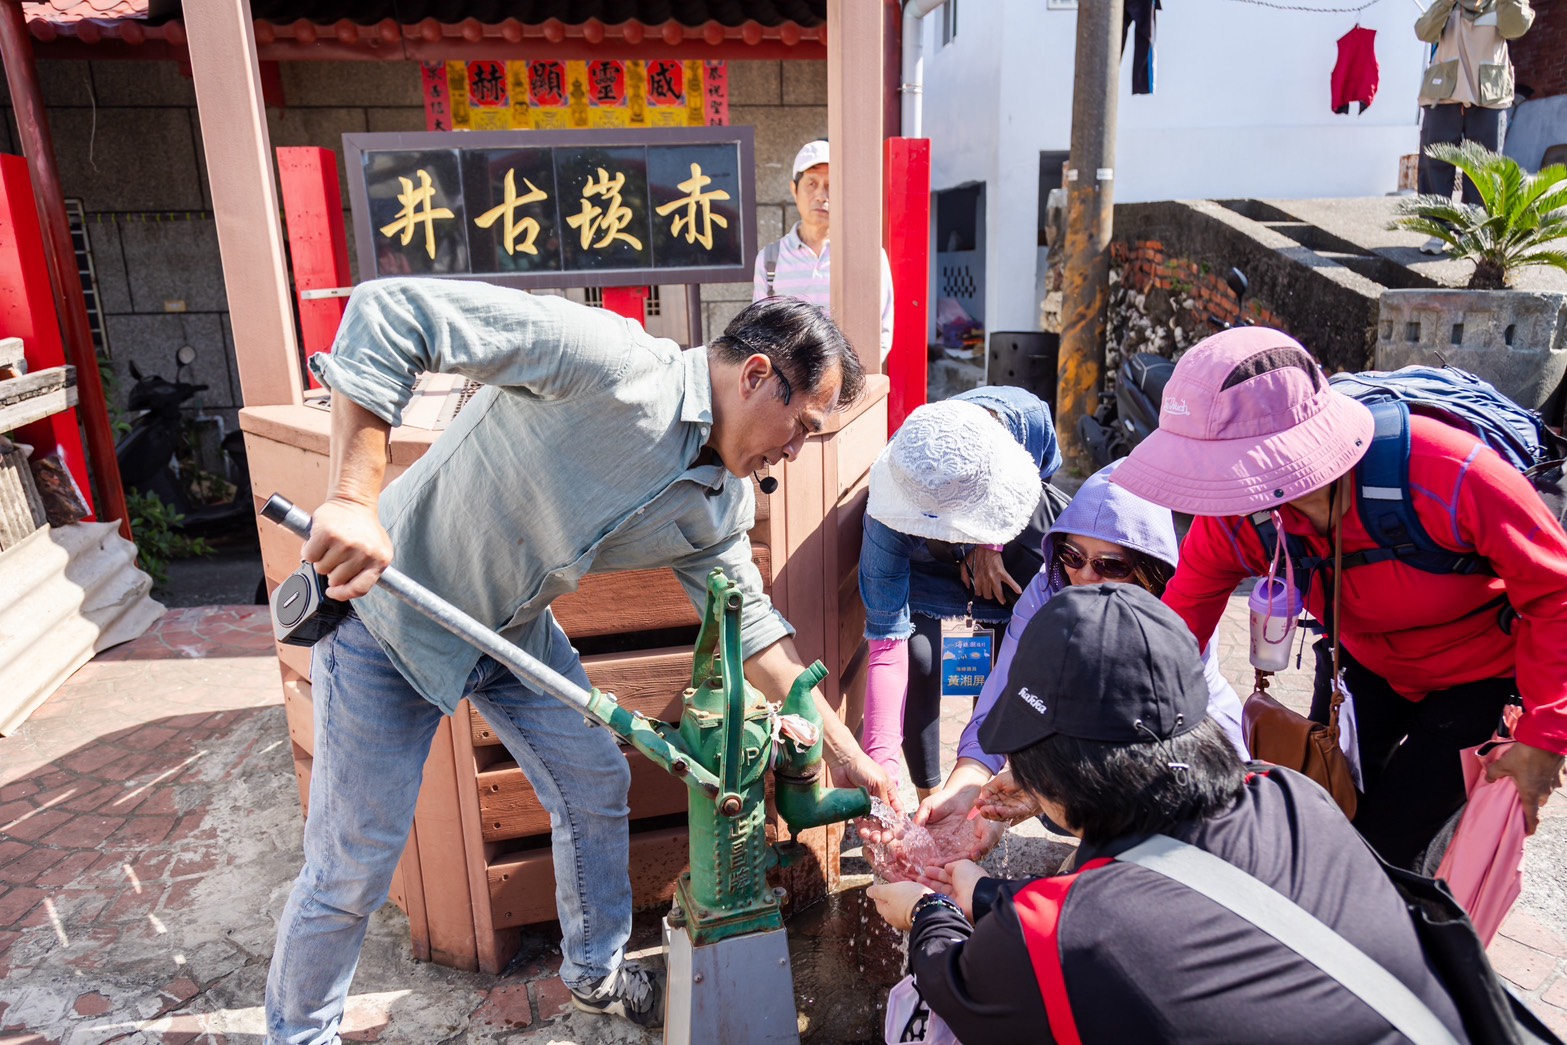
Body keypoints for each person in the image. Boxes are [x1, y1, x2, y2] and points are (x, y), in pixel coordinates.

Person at [265, 278, 899, 1042]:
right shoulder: (609, 359)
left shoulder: (717, 501)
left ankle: (594, 975)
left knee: (594, 781)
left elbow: (754, 629)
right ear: (758, 375)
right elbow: (391, 310)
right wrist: (350, 498)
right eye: (800, 427)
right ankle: (299, 1032)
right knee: (352, 865)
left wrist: (849, 757)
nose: (795, 452)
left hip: (511, 633)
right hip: (390, 611)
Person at [867, 585, 1474, 1044]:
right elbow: (1172, 904)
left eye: (1029, 757)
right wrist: (989, 890)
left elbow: (960, 980)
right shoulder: (1286, 794)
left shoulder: (1063, 938)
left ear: (1065, 772)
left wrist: (930, 910)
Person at [1111, 326, 1567, 870]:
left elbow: (1554, 590)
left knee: (1391, 852)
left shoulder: (1443, 470)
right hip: (1358, 666)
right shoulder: (1238, 520)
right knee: (1323, 822)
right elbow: (1174, 634)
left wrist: (1545, 736)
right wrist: (1093, 741)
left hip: (1475, 680)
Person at [912, 459, 1249, 859]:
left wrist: (1048, 787)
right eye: (1073, 555)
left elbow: (1164, 746)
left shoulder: (1175, 615)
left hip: (1188, 775)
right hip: (1105, 770)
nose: (1085, 575)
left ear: (1149, 570)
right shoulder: (1046, 588)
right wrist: (967, 785)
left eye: (1110, 565)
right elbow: (1005, 689)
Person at [858, 387, 1064, 797]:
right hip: (925, 563)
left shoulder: (1029, 418)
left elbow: (1041, 484)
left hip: (1004, 550)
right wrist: (880, 769)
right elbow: (886, 648)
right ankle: (928, 794)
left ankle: (975, 785)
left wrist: (989, 544)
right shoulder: (889, 516)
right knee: (919, 658)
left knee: (1006, 655)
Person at [752, 139, 896, 364]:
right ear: (794, 190)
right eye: (811, 184)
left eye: (831, 185)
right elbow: (759, 330)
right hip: (789, 391)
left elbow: (882, 330)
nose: (821, 195)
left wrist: (852, 381)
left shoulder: (868, 257)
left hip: (849, 389)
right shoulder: (770, 260)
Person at [1414, 0, 1533, 216]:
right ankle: (1436, 228)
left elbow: (1517, 27)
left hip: (1488, 96)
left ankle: (1474, 229)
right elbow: (1424, 32)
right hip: (1444, 94)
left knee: (1483, 168)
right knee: (1436, 163)